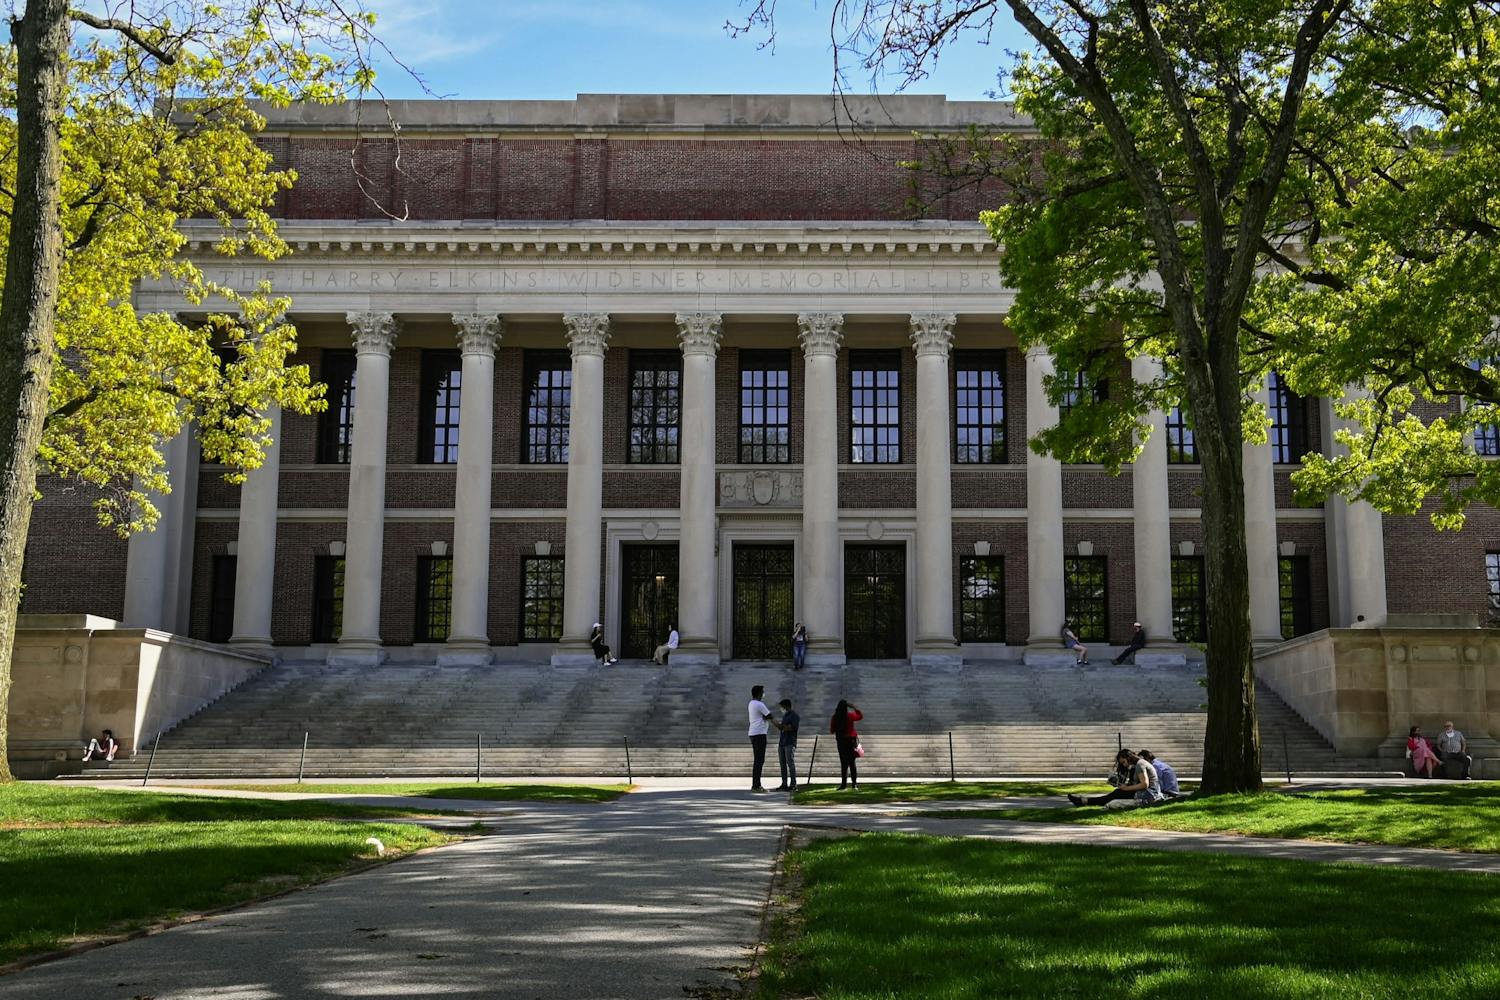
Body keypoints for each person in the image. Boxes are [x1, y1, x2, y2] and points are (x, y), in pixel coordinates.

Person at [1068, 749, 1163, 807]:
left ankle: (1084, 801)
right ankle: (1084, 801)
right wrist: (1125, 786)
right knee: (1116, 793)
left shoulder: (1140, 764)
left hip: (1149, 794)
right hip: (1148, 793)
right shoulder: (1138, 765)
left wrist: (1127, 788)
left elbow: (1144, 784)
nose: (1124, 765)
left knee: (1116, 793)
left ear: (1128, 757)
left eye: (1124, 762)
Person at [830, 699, 864, 789]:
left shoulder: (835, 717)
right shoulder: (849, 715)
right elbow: (860, 716)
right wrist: (854, 707)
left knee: (843, 763)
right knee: (852, 763)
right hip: (850, 741)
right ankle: (854, 784)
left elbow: (832, 730)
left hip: (841, 742)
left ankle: (843, 784)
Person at [748, 685, 773, 793]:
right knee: (759, 760)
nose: (763, 694)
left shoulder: (751, 703)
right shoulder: (759, 704)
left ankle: (756, 784)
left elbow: (765, 716)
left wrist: (765, 717)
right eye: (762, 692)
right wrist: (766, 717)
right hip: (759, 734)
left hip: (754, 733)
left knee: (757, 760)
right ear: (759, 693)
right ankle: (756, 785)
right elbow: (770, 715)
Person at [774, 698, 800, 791]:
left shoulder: (794, 716)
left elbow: (792, 727)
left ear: (786, 706)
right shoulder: (785, 716)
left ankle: (793, 784)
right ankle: (784, 783)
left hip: (790, 742)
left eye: (782, 707)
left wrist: (782, 726)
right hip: (782, 742)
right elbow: (783, 727)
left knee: (790, 763)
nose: (781, 709)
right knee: (782, 764)